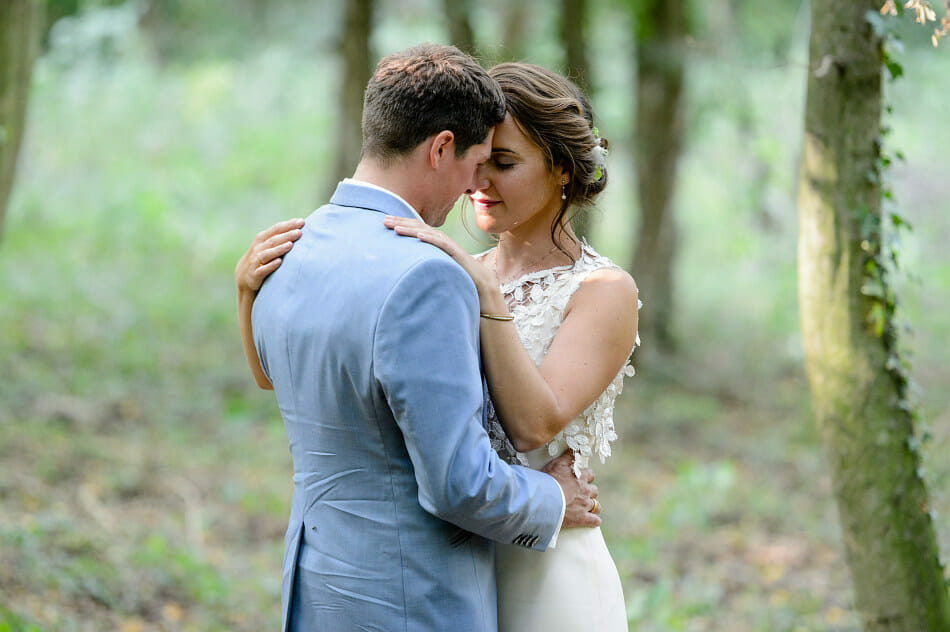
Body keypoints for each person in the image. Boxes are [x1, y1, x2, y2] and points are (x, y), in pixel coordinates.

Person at [239, 60, 640, 631]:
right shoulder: (444, 271)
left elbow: (534, 425)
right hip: (450, 557)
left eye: (501, 163)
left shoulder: (601, 290)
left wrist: (487, 299)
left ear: (562, 172)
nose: (479, 182)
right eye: (479, 161)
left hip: (542, 563)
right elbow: (318, 372)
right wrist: (246, 296)